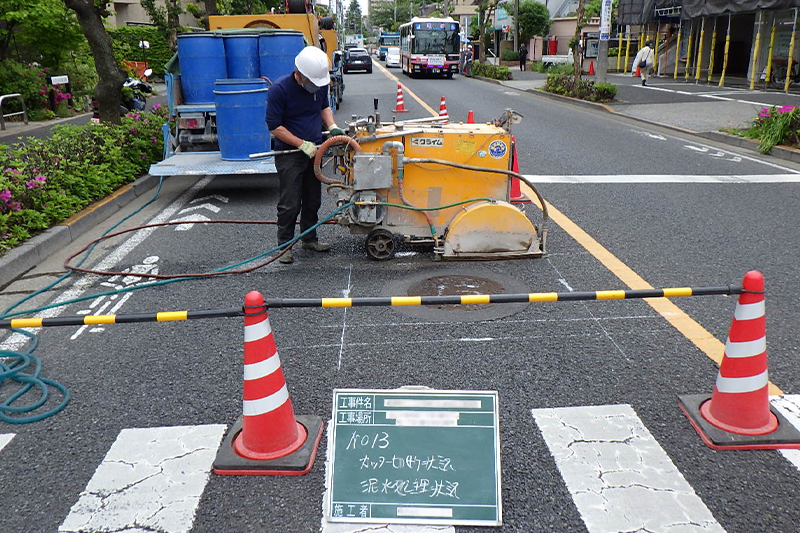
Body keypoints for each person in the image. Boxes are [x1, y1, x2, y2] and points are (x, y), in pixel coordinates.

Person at [266, 46, 344, 264]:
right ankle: (285, 246)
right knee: (290, 202)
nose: (315, 87)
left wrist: (333, 126)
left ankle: (309, 238)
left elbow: (324, 108)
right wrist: (301, 144)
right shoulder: (280, 90)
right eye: (311, 82)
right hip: (289, 152)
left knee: (312, 199)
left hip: (315, 151)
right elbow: (274, 126)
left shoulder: (318, 85)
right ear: (299, 74)